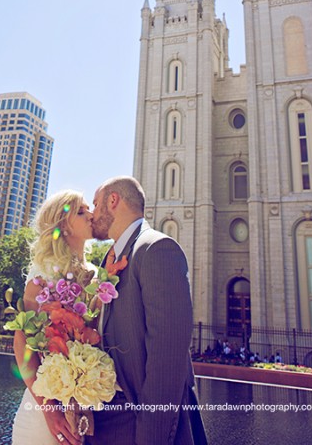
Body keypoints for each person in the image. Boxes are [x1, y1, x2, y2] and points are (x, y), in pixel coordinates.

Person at [87, 176, 208, 445]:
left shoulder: (156, 249)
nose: (92, 214)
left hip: (138, 427)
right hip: (107, 422)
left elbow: (167, 361)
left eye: (95, 204)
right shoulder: (111, 259)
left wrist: (151, 438)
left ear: (113, 201)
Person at [12, 190, 94, 445]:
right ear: (63, 226)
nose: (91, 215)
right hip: (42, 418)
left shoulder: (97, 276)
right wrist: (50, 411)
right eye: (81, 212)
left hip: (84, 411)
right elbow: (22, 348)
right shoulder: (42, 275)